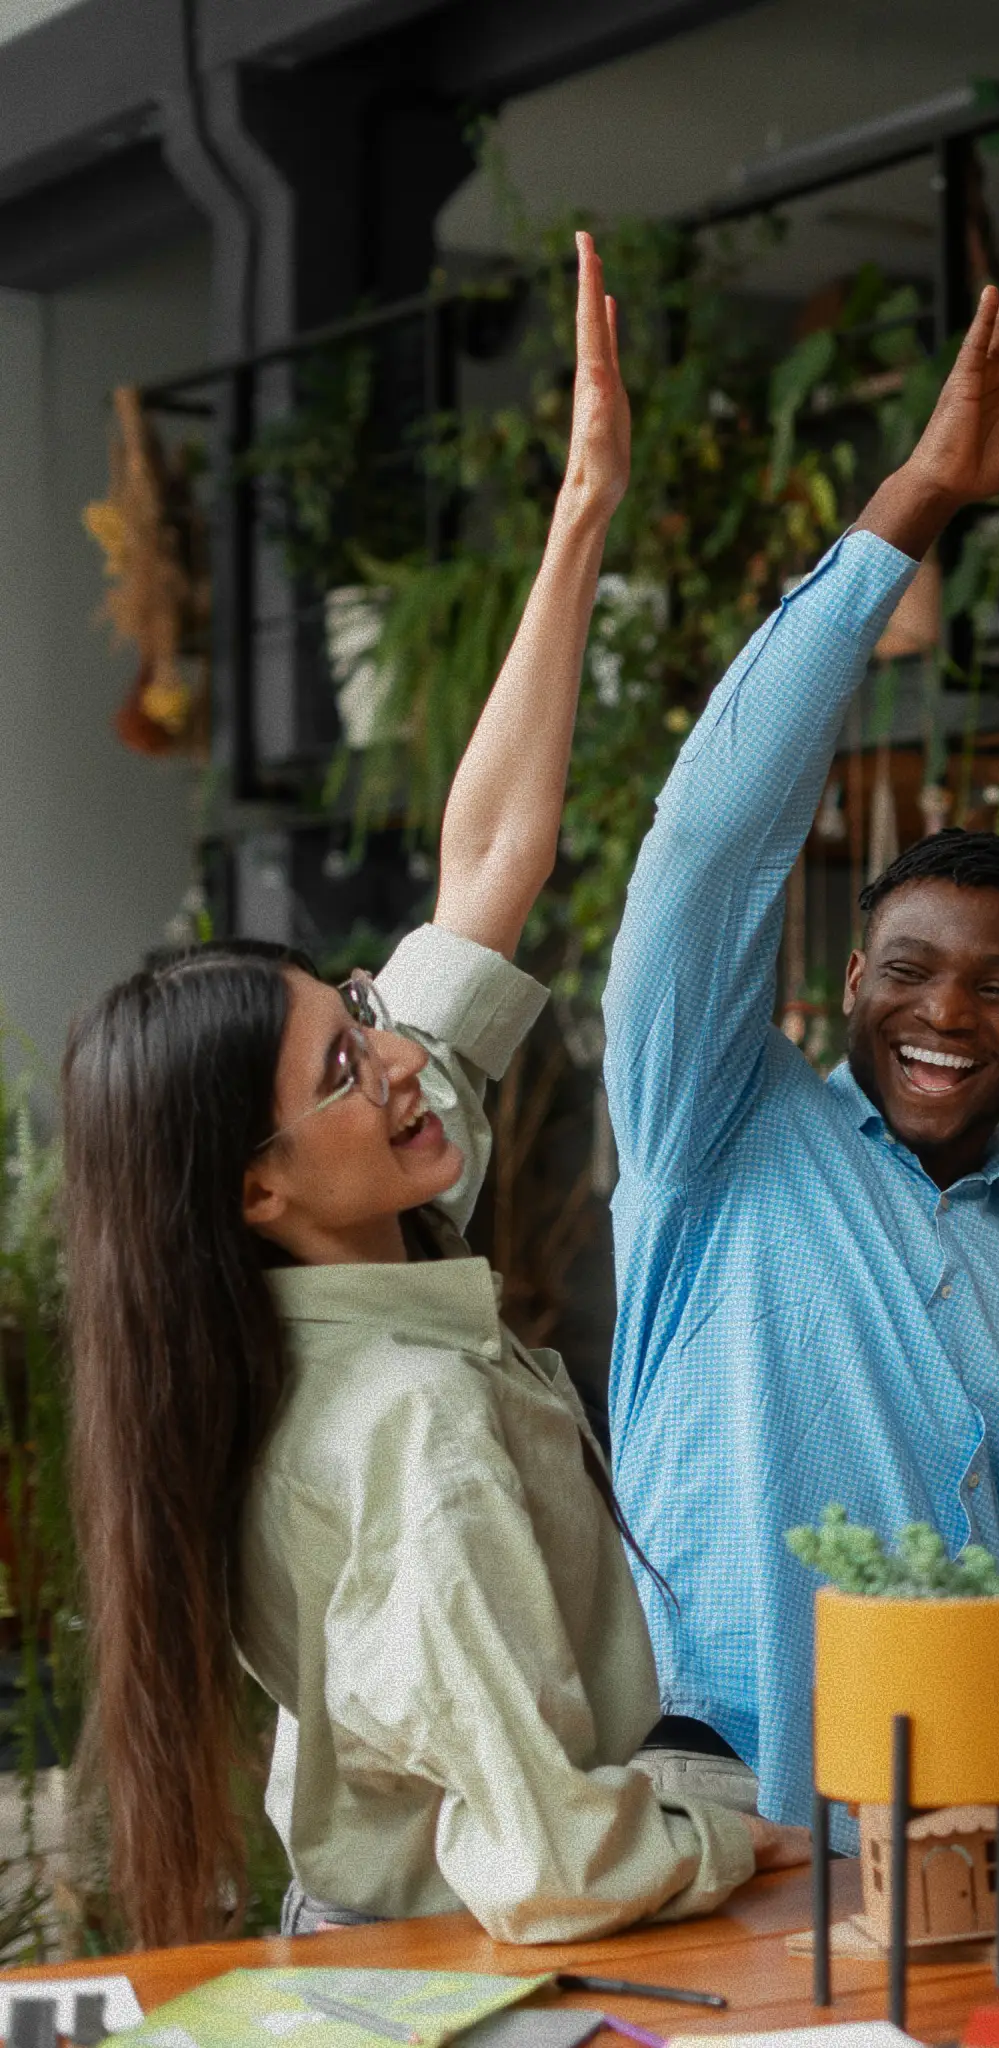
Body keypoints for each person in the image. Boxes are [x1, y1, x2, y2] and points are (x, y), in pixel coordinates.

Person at [59, 237, 809, 1948]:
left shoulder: (299, 1284)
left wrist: (581, 515)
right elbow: (555, 1863)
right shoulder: (408, 1424)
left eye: (368, 1020)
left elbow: (486, 857)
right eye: (346, 1061)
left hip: (379, 1944)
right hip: (467, 1978)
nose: (399, 1056)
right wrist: (727, 1820)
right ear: (256, 1185)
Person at [602, 248, 999, 1826]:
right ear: (851, 981)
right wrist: (911, 503)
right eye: (911, 969)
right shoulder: (708, 1127)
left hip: (939, 1888)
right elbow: (708, 846)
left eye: (997, 986)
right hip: (682, 1846)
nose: (945, 1011)